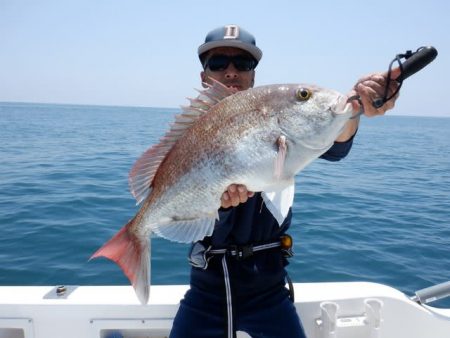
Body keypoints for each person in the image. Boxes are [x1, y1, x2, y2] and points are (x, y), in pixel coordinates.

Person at [169, 24, 399, 338]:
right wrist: (217, 207)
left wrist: (356, 108)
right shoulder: (190, 135)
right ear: (204, 75)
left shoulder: (278, 121)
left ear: (254, 74)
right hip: (205, 296)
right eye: (218, 63)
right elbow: (188, 209)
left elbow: (335, 142)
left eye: (243, 63)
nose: (231, 72)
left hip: (270, 295)